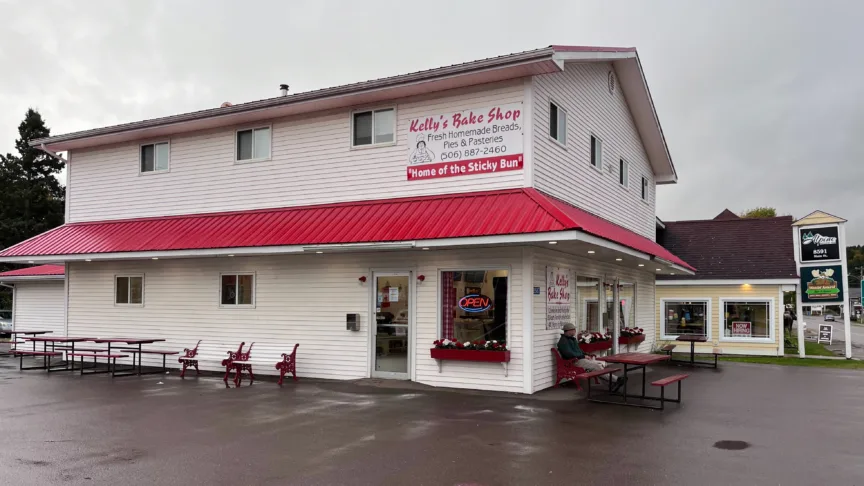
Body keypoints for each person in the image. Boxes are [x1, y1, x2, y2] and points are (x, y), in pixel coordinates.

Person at [557, 323, 627, 391]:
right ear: (569, 331)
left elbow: (579, 350)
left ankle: (611, 384)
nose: (575, 331)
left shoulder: (572, 339)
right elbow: (569, 354)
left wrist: (586, 354)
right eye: (574, 330)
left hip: (580, 359)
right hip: (574, 361)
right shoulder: (563, 342)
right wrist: (583, 356)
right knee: (596, 366)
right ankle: (616, 380)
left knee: (598, 366)